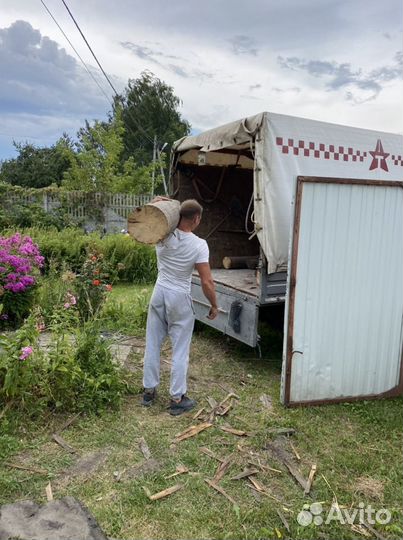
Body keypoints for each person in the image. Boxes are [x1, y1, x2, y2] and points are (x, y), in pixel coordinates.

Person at [142, 197, 218, 416]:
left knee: (153, 343)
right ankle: (177, 398)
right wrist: (214, 305)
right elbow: (206, 281)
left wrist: (168, 202)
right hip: (179, 297)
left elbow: (154, 205)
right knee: (180, 349)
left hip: (159, 292)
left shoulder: (163, 235)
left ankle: (149, 392)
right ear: (196, 219)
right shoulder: (199, 245)